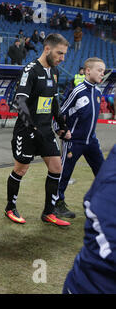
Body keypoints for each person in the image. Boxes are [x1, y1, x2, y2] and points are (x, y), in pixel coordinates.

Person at [4, 33, 72, 227]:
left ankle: (48, 212)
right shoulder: (30, 70)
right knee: (21, 169)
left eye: (64, 54)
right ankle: (10, 207)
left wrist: (61, 125)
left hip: (46, 130)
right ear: (47, 49)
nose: (62, 58)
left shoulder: (55, 72)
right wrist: (31, 128)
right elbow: (20, 101)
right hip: (27, 131)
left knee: (56, 167)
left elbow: (53, 102)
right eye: (59, 53)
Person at [55, 58, 106, 219]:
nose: (102, 73)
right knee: (64, 173)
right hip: (73, 142)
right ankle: (57, 204)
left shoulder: (98, 93)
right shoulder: (77, 91)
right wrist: (62, 131)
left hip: (91, 141)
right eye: (99, 70)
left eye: (103, 71)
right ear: (88, 70)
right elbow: (60, 113)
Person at [63, 144, 116, 294]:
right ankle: (55, 202)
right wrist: (63, 128)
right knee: (61, 169)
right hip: (93, 285)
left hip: (88, 138)